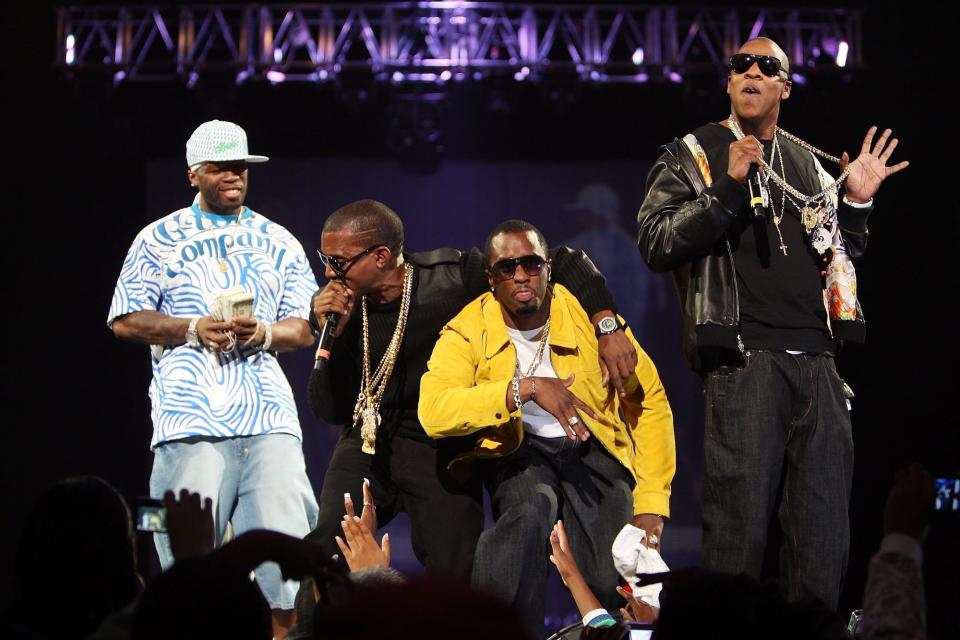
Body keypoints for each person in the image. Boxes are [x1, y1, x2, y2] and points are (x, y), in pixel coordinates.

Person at [636, 37, 908, 608]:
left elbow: (837, 256)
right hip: (746, 360)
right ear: (729, 82)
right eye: (740, 65)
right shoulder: (694, 154)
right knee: (737, 541)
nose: (751, 72)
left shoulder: (805, 161)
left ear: (785, 87)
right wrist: (727, 187)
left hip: (821, 366)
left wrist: (856, 204)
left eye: (767, 66)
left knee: (823, 540)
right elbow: (656, 242)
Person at [303, 200, 636, 579]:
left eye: (339, 261)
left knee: (457, 565)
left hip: (438, 440)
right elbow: (328, 408)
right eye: (324, 258)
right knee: (327, 550)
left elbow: (561, 260)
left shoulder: (451, 276)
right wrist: (333, 333)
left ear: (381, 256)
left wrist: (607, 325)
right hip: (366, 439)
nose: (329, 271)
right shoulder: (340, 307)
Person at [108, 120, 319, 637]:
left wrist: (264, 333)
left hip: (267, 417)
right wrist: (191, 328)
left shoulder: (277, 238)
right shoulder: (157, 238)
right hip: (189, 421)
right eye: (222, 167)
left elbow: (304, 327)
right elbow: (124, 319)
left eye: (241, 167)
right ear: (192, 174)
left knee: (284, 567)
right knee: (188, 568)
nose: (234, 176)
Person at [418, 219, 675, 635]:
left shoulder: (589, 320)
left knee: (613, 566)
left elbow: (648, 404)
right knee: (525, 515)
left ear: (548, 268)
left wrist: (651, 505)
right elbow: (434, 409)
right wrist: (526, 388)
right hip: (520, 449)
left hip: (593, 445)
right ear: (491, 277)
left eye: (531, 263)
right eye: (506, 267)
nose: (520, 275)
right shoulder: (468, 328)